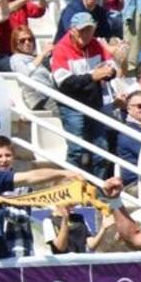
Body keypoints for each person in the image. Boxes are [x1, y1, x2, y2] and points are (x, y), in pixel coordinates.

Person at [51, 11, 116, 175]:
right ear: (72, 30)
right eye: (82, 30)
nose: (86, 34)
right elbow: (64, 83)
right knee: (76, 150)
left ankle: (99, 190)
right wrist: (93, 76)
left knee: (101, 150)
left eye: (89, 30)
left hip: (94, 104)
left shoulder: (96, 45)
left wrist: (109, 73)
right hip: (71, 106)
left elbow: (110, 68)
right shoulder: (60, 49)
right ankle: (71, 190)